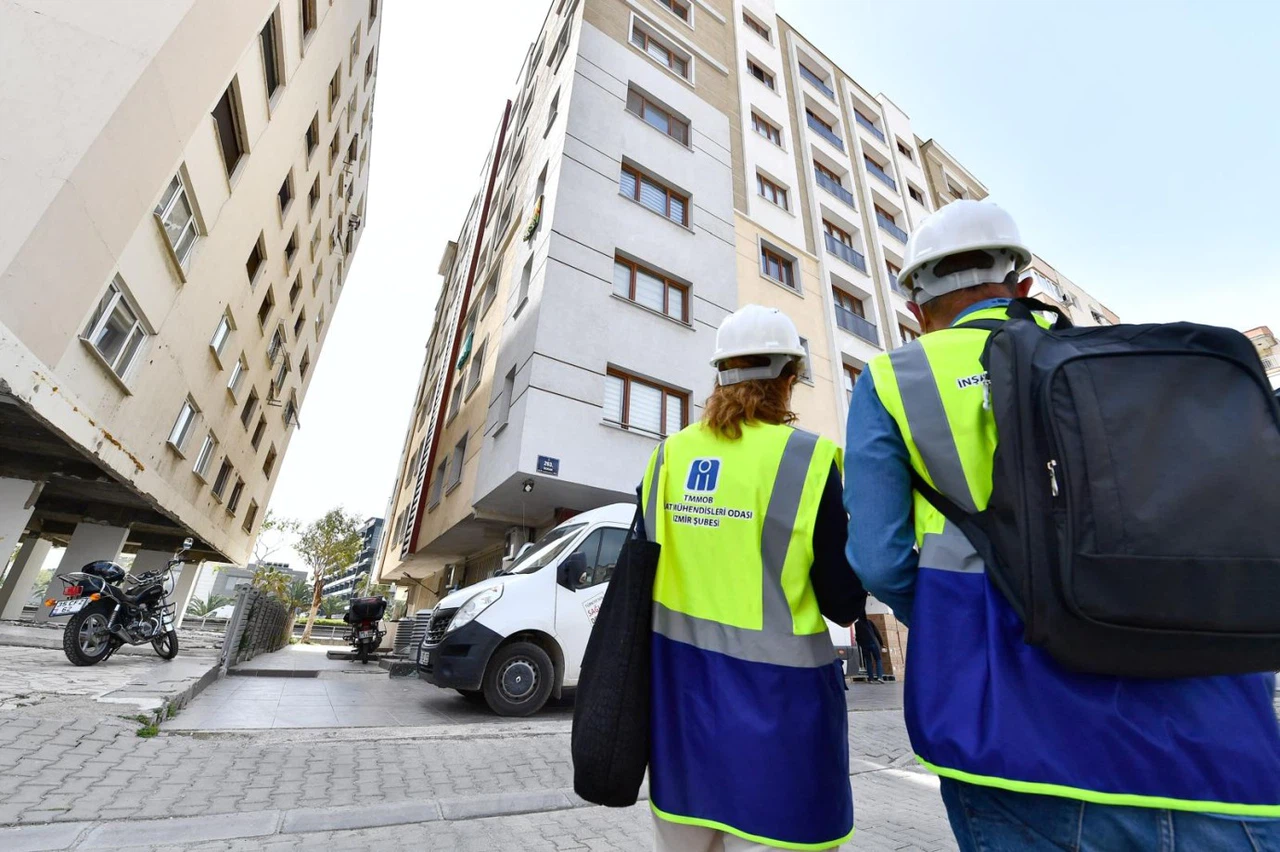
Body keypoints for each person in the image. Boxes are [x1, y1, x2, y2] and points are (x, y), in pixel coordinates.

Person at [843, 200, 1280, 850]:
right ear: (1022, 286)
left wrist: (946, 619)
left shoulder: (893, 379)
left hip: (1016, 740)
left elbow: (879, 561)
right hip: (1220, 746)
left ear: (916, 307)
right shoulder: (1126, 365)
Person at [640, 304, 867, 852]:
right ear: (790, 378)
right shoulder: (811, 460)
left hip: (680, 716)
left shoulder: (668, 458)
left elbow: (639, 582)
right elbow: (843, 604)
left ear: (718, 375)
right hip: (781, 722)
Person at [853, 616, 883, 683]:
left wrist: (860, 644)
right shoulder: (869, 622)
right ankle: (880, 677)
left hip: (864, 645)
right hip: (873, 642)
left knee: (868, 661)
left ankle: (871, 679)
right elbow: (876, 632)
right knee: (878, 659)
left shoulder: (856, 624)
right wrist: (881, 643)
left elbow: (857, 636)